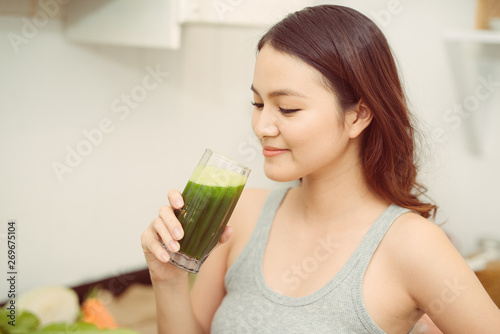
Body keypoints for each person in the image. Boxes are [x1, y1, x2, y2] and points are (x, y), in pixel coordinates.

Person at [141, 5, 500, 334]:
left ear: (358, 115)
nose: (261, 125)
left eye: (288, 109)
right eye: (258, 102)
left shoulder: (412, 245)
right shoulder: (243, 215)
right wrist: (168, 278)